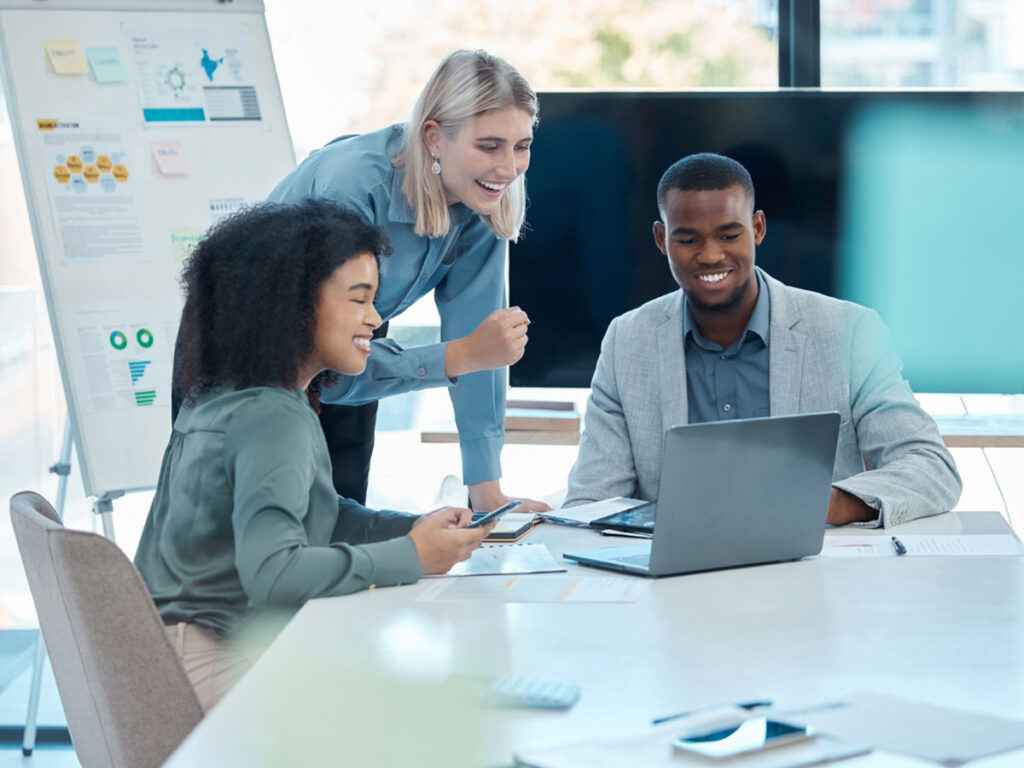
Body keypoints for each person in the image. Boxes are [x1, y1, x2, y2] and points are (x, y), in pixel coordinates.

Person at [135, 200, 492, 713]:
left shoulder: (225, 395)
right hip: (213, 671)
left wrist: (415, 529)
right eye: (359, 299)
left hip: (168, 662)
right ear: (294, 305)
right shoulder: (272, 416)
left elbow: (315, 509)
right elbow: (275, 573)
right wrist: (413, 556)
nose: (375, 318)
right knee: (434, 704)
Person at [564, 153, 961, 527]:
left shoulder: (849, 331)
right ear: (660, 239)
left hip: (815, 572)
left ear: (757, 228)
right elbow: (593, 500)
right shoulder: (627, 341)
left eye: (728, 235)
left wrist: (822, 503)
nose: (710, 255)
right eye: (687, 240)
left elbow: (930, 466)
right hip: (673, 579)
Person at [267, 49, 550, 515]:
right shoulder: (354, 187)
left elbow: (481, 347)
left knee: (341, 533)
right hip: (258, 354)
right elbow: (323, 368)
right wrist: (460, 355)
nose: (508, 168)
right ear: (434, 138)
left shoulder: (481, 200)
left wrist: (487, 492)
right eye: (489, 145)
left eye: (521, 146)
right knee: (268, 548)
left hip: (351, 341)